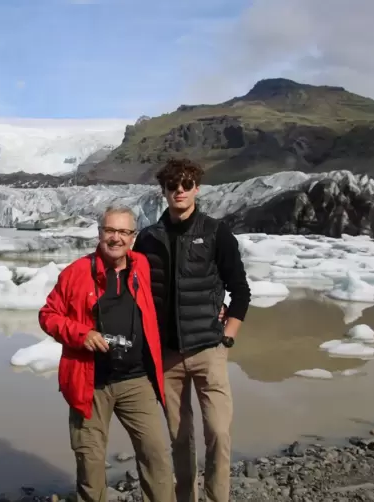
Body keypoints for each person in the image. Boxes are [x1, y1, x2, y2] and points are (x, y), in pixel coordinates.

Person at [132, 158, 251, 502]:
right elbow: (135, 290)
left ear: (197, 188)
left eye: (186, 184)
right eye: (172, 185)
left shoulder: (216, 232)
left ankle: (217, 498)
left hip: (208, 351)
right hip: (167, 355)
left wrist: (228, 335)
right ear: (164, 190)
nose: (179, 191)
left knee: (218, 431)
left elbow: (240, 290)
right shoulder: (149, 238)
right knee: (179, 437)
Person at [38, 204, 174, 502]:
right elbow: (48, 315)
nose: (116, 238)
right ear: (100, 233)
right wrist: (81, 335)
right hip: (90, 383)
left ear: (133, 236)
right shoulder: (76, 273)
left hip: (136, 381)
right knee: (90, 462)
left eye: (123, 232)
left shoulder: (144, 268)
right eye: (110, 230)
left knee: (156, 456)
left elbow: (181, 292)